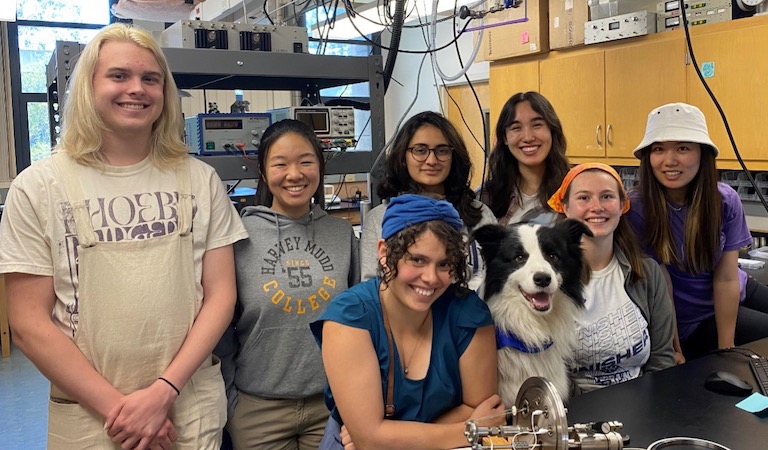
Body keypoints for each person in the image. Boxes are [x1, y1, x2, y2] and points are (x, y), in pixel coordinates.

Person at [0, 23, 247, 449]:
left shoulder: (199, 179)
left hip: (186, 406)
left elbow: (221, 296)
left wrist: (162, 392)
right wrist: (125, 411)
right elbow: (28, 324)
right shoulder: (38, 187)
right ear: (88, 87)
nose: (137, 88)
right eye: (118, 75)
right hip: (92, 417)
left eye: (150, 78)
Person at [311, 194, 504, 450]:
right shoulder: (350, 317)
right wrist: (469, 430)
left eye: (444, 264)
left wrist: (386, 439)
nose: (431, 278)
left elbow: (483, 409)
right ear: (383, 252)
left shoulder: (468, 313)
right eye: (417, 260)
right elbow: (369, 439)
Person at [216, 119, 360, 450]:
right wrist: (230, 401)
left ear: (320, 168)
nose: (294, 174)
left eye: (306, 162)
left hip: (330, 404)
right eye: (280, 164)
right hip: (257, 409)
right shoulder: (239, 237)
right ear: (264, 173)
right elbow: (221, 330)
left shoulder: (340, 235)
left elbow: (357, 321)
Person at [626, 102, 768, 360]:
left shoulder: (724, 200)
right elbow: (661, 287)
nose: (669, 161)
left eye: (683, 148)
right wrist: (673, 348)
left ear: (702, 154)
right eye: (658, 149)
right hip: (691, 319)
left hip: (735, 288)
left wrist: (727, 350)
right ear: (648, 157)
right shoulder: (637, 208)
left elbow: (726, 278)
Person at [547, 164, 676, 393]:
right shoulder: (548, 282)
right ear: (565, 207)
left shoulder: (647, 273)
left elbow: (662, 359)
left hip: (643, 409)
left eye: (607, 196)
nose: (596, 207)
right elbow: (548, 375)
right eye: (584, 198)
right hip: (580, 414)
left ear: (622, 205)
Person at [360, 111, 496, 283]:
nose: (432, 160)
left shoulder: (480, 214)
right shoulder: (379, 218)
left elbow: (498, 277)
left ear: (453, 157)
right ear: (403, 157)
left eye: (442, 150)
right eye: (420, 150)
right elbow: (373, 287)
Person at [480, 91, 570, 226]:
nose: (528, 137)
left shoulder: (574, 189)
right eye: (516, 128)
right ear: (505, 137)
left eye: (537, 125)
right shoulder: (486, 196)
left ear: (552, 130)